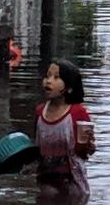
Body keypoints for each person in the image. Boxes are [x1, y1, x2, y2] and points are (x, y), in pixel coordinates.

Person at [35, 59, 95, 204]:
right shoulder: (39, 112)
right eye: (47, 76)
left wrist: (88, 143)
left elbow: (87, 152)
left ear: (68, 87)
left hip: (72, 183)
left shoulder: (78, 113)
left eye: (56, 77)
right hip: (45, 180)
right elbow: (37, 148)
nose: (48, 81)